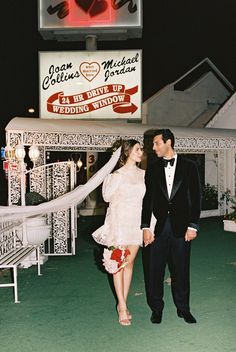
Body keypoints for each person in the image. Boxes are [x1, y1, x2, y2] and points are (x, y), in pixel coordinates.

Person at [141, 129, 201, 324]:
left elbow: (196, 197)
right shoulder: (152, 168)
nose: (153, 147)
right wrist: (145, 227)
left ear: (169, 142)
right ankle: (156, 309)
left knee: (181, 270)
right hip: (158, 228)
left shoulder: (190, 166)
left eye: (157, 143)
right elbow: (148, 199)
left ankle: (184, 309)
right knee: (154, 270)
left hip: (181, 228)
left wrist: (193, 225)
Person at [92, 139, 145, 326]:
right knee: (119, 264)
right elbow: (107, 197)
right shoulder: (116, 175)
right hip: (120, 222)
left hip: (137, 223)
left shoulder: (143, 174)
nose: (141, 152)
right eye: (138, 149)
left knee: (129, 264)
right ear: (128, 152)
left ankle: (124, 301)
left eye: (141, 149)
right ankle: (122, 306)